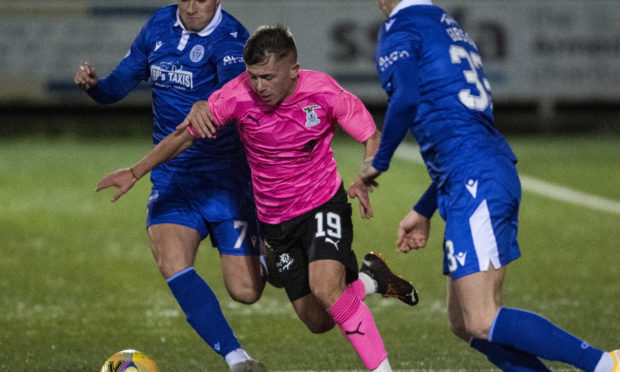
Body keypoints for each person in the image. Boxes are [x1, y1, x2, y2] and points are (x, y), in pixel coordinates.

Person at [97, 25, 419, 372]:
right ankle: (371, 278)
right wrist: (136, 171)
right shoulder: (236, 95)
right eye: (253, 76)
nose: (259, 86)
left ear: (294, 71)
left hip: (323, 204)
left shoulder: (323, 92)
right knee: (317, 319)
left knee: (326, 287)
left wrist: (366, 174)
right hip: (275, 222)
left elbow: (371, 135)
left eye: (268, 77)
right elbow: (184, 136)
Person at [354, 0, 620, 371]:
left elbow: (406, 99)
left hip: (475, 179)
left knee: (481, 318)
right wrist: (424, 208)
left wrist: (377, 163)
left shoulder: (400, 28)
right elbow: (460, 131)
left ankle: (605, 364)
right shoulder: (444, 24)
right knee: (466, 325)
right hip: (474, 174)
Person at [75, 1, 267, 370]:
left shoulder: (232, 41)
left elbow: (225, 108)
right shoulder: (159, 25)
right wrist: (96, 88)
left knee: (246, 291)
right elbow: (118, 85)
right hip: (173, 176)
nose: (193, 6)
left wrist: (205, 104)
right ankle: (237, 359)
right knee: (171, 260)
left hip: (224, 179)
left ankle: (267, 258)